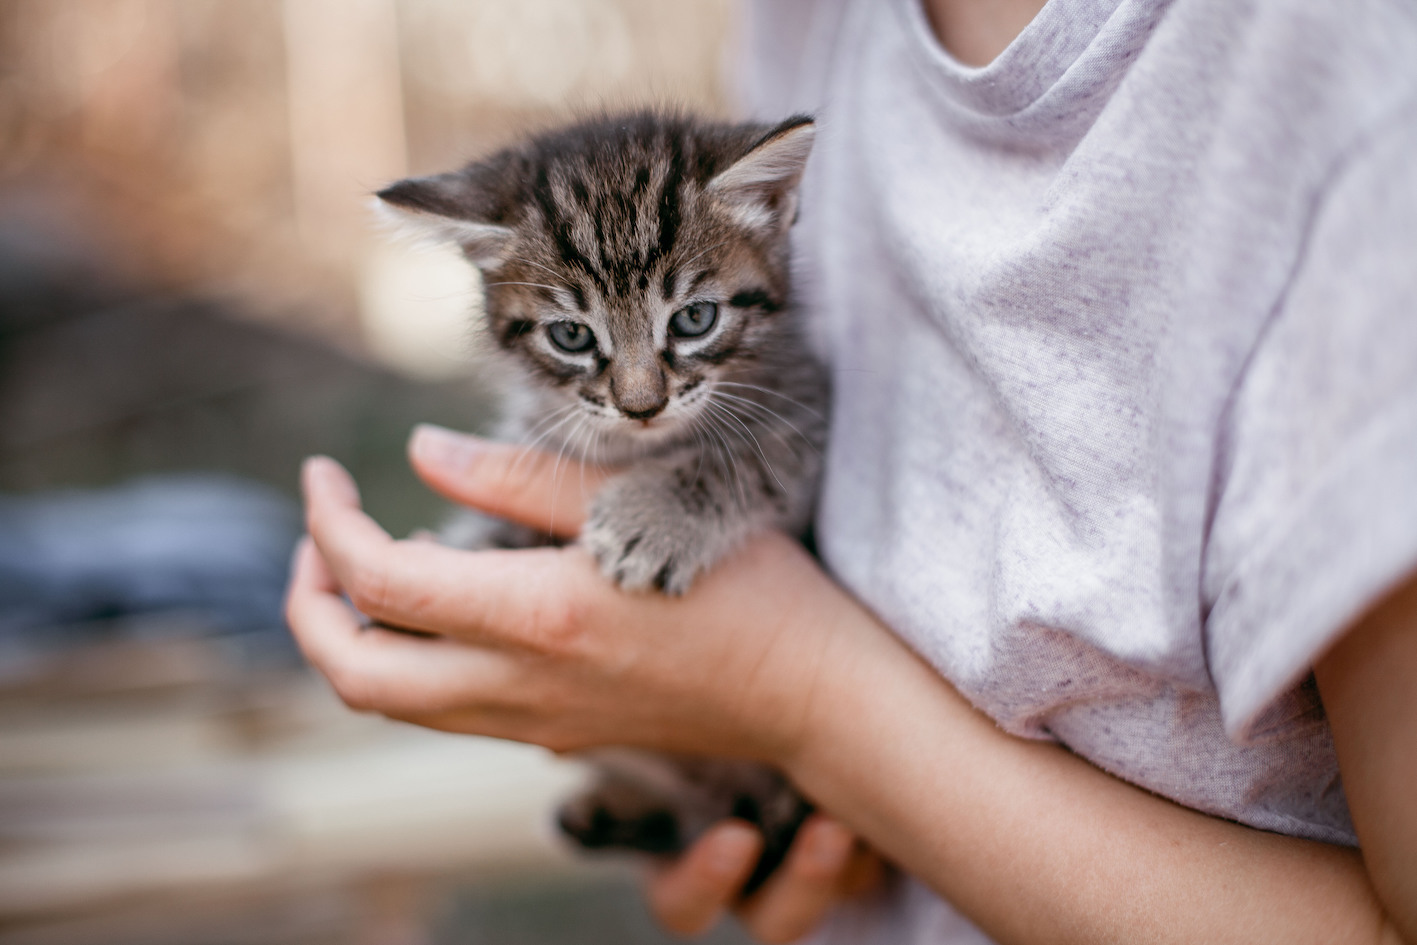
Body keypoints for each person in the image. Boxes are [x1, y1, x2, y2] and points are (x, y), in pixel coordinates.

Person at [285, 0, 1417, 941]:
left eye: (684, 329)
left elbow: (783, 474)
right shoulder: (816, 23)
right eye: (576, 342)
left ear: (773, 209)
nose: (639, 394)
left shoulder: (1356, 102)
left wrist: (803, 705)